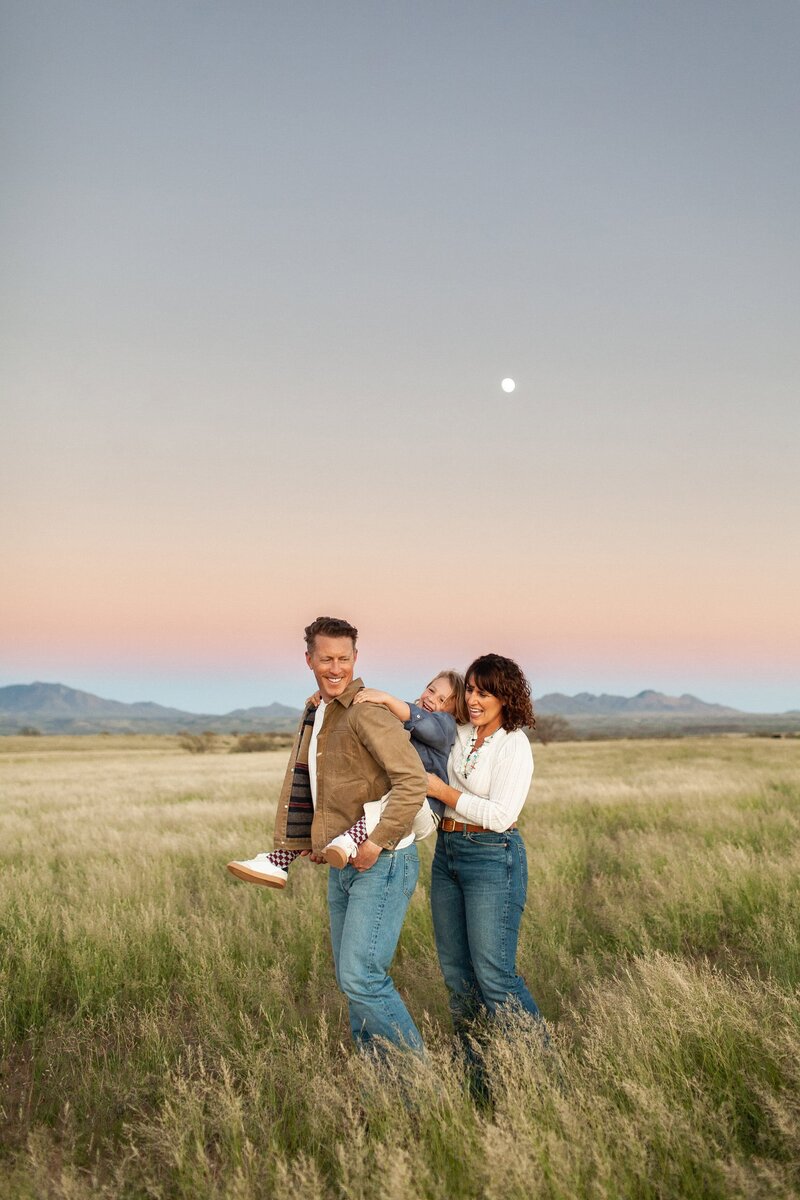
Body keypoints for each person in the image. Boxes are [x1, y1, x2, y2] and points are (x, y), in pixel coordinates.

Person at [230, 616, 428, 1053]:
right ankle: (377, 1085)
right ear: (309, 660)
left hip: (383, 860)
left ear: (355, 659)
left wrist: (377, 841)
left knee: (362, 977)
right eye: (326, 659)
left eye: (343, 658)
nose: (335, 667)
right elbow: (329, 788)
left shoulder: (366, 713)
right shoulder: (319, 712)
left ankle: (424, 1090)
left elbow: (413, 781)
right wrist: (318, 843)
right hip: (344, 863)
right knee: (351, 981)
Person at [227, 669, 465, 877]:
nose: (432, 699)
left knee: (406, 785)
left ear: (454, 711)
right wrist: (328, 699)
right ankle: (283, 859)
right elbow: (376, 711)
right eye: (431, 690)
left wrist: (386, 697)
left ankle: (349, 839)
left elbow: (423, 723)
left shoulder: (445, 725)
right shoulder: (402, 714)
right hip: (400, 805)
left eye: (443, 699)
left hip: (425, 811)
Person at [424, 653, 543, 1070]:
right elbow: (416, 715)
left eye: (484, 692)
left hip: (493, 858)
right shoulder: (457, 731)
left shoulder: (513, 744)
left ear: (504, 697)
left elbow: (501, 814)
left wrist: (442, 792)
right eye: (470, 689)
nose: (473, 699)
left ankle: (541, 1076)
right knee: (458, 978)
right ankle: (478, 1074)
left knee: (495, 977)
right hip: (447, 854)